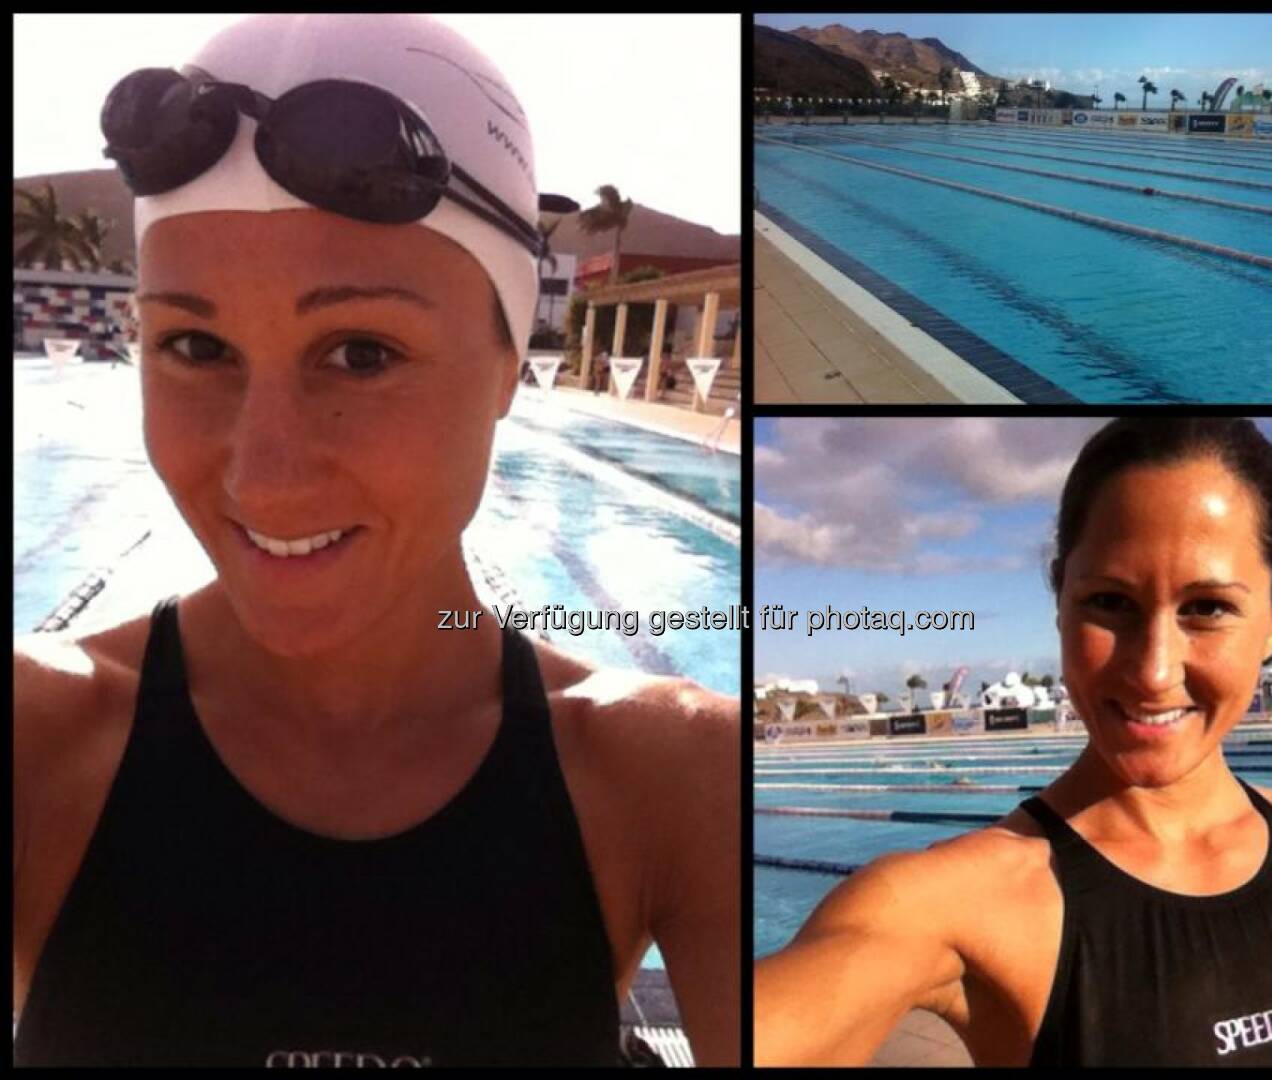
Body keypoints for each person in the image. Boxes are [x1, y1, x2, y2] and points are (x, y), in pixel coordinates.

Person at [13, 14, 738, 1067]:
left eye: (361, 353)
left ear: (508, 371)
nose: (261, 475)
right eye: (196, 346)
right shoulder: (37, 743)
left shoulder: (666, 777)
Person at [754, 418, 1272, 1067]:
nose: (1154, 672)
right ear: (1060, 599)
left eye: (1207, 608)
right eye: (1110, 602)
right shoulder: (950, 903)